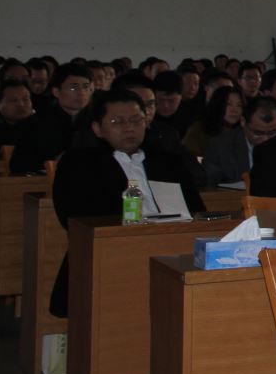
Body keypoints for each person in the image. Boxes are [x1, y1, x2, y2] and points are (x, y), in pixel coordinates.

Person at [48, 88, 206, 317]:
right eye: (117, 122)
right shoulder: (79, 164)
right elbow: (73, 217)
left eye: (136, 120)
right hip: (113, 251)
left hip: (171, 244)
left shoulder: (167, 160)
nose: (129, 128)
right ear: (97, 128)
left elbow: (196, 209)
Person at [9, 62, 93, 174]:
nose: (82, 93)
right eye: (74, 88)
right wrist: (53, 162)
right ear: (56, 91)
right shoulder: (35, 124)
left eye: (86, 87)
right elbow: (18, 165)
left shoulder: (98, 121)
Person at [202, 96, 276, 188]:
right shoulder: (220, 146)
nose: (265, 139)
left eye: (272, 133)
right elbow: (210, 187)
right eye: (258, 133)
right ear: (243, 122)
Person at [182, 86, 242, 158]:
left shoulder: (243, 132)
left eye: (239, 105)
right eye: (228, 104)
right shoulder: (199, 129)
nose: (234, 110)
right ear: (217, 104)